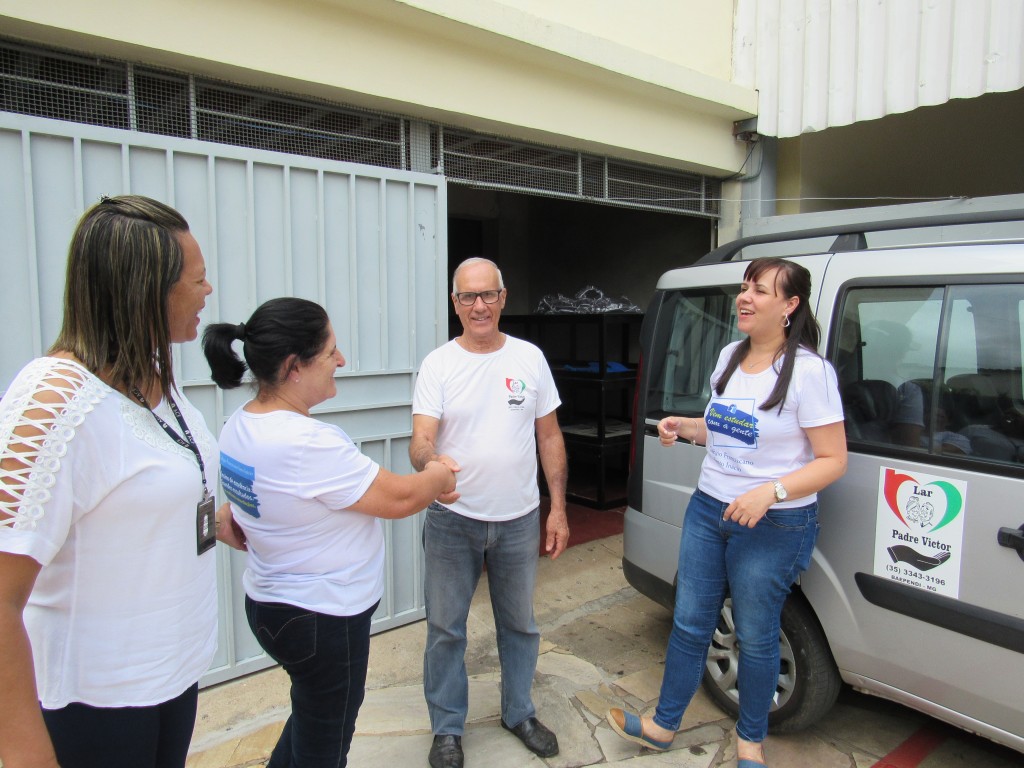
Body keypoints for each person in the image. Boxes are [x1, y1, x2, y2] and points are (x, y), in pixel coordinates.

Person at [0, 195, 237, 768]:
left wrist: (237, 525)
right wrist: (26, 754)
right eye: (197, 280)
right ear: (144, 292)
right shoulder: (53, 403)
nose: (209, 292)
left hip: (171, 675)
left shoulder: (151, 374)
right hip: (96, 703)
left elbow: (145, 497)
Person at [606, 257, 847, 768]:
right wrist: (684, 427)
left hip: (773, 523)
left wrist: (771, 492)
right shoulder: (729, 357)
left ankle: (750, 744)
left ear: (790, 305)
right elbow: (727, 429)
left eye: (759, 290)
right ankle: (663, 725)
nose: (745, 298)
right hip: (708, 509)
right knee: (691, 622)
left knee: (757, 634)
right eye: (744, 288)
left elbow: (833, 460)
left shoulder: (810, 372)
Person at [202, 297, 458, 768]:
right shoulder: (307, 443)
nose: (341, 360)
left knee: (310, 716)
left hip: (270, 604)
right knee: (326, 746)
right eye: (331, 352)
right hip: (321, 618)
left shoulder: (240, 424)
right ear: (293, 367)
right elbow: (400, 499)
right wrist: (439, 476)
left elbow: (252, 500)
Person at [409, 257, 570, 768]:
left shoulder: (530, 359)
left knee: (520, 624)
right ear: (455, 304)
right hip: (452, 521)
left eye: (487, 295)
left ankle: (518, 712)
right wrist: (431, 463)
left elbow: (549, 435)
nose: (478, 306)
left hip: (520, 520)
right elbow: (420, 440)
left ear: (503, 297)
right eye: (466, 297)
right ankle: (447, 728)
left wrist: (559, 508)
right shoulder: (439, 364)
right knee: (446, 629)